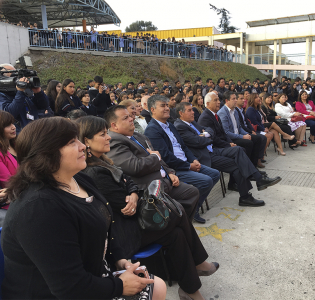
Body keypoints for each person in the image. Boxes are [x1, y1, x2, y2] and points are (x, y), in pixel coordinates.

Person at [0, 117, 167, 300]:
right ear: (45, 153)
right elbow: (69, 288)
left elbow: (105, 230)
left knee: (156, 285)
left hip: (91, 274)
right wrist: (119, 286)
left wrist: (118, 259)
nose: (83, 146)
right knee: (155, 287)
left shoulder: (80, 180)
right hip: (55, 293)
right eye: (72, 142)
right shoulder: (38, 208)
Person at [77, 116, 218, 300]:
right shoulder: (94, 172)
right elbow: (125, 204)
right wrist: (133, 193)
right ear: (86, 140)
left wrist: (134, 193)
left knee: (177, 233)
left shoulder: (103, 161)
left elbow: (129, 183)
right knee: (177, 212)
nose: (108, 137)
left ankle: (190, 290)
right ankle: (198, 264)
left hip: (134, 221)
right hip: (125, 232)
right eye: (103, 134)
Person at [104, 105, 200, 222]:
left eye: (130, 116)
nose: (131, 119)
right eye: (125, 118)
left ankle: (181, 223)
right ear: (114, 125)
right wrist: (154, 157)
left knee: (192, 193)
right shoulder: (115, 141)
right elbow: (135, 166)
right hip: (149, 189)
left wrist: (169, 172)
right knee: (178, 209)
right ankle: (175, 226)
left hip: (164, 181)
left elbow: (158, 157)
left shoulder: (138, 135)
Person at [174, 102, 279, 208]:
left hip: (212, 150)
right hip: (204, 157)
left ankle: (255, 183)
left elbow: (210, 131)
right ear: (180, 113)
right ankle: (250, 190)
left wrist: (205, 134)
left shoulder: (191, 123)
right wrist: (207, 136)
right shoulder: (180, 126)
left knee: (238, 150)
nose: (193, 112)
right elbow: (199, 141)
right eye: (189, 110)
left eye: (192, 110)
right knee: (238, 164)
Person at [144, 95, 220, 224]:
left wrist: (193, 160)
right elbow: (166, 157)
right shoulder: (152, 130)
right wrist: (188, 166)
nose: (167, 108)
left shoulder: (170, 125)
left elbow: (183, 146)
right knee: (206, 180)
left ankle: (193, 207)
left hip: (186, 162)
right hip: (174, 169)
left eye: (167, 105)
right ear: (153, 109)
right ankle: (188, 211)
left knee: (214, 174)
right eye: (163, 106)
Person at [0, 63, 49, 132]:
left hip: (34, 132)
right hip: (19, 136)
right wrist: (20, 92)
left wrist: (38, 93)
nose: (17, 77)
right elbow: (8, 114)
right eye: (13, 74)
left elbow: (43, 106)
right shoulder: (0, 95)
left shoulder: (23, 92)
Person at [217, 92, 267, 168]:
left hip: (238, 135)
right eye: (233, 99)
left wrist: (246, 134)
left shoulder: (235, 111)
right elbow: (226, 133)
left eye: (236, 98)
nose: (236, 100)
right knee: (248, 143)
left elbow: (239, 127)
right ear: (227, 101)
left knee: (257, 138)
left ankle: (254, 165)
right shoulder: (223, 113)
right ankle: (247, 167)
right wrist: (242, 137)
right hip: (231, 139)